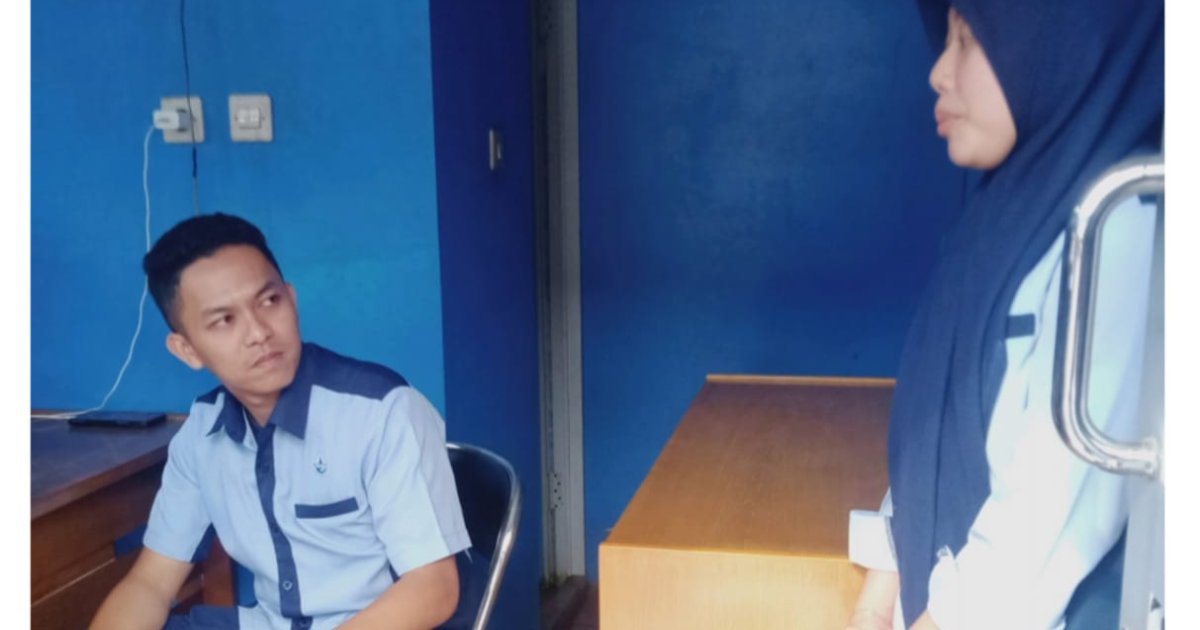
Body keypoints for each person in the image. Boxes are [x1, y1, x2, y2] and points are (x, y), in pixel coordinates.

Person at [845, 0, 1163, 629]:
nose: (939, 71)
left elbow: (1043, 525)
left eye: (969, 40)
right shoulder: (1006, 214)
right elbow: (939, 425)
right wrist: (879, 595)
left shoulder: (1120, 225)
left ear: (1066, 44)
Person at [91, 213, 471, 630]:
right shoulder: (202, 434)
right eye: (224, 320)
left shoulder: (382, 413)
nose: (259, 332)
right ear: (187, 350)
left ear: (291, 298)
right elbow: (150, 584)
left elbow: (433, 589)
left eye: (269, 301)